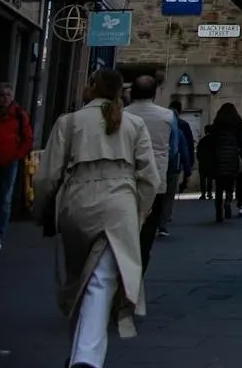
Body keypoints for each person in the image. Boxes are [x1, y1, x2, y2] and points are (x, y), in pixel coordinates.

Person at [34, 69, 159, 368]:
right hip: (119, 204)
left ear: (91, 87)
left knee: (83, 278)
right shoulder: (133, 123)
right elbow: (150, 179)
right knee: (100, 280)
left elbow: (46, 177)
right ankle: (86, 359)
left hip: (78, 203)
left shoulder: (70, 122)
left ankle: (81, 353)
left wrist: (42, 212)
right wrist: (139, 213)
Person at [122, 76, 179, 268]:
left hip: (125, 179)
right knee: (146, 235)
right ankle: (139, 269)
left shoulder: (122, 114)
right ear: (155, 94)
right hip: (156, 180)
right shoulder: (168, 116)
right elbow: (174, 149)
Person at [0, 80, 34, 251]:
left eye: (8, 95)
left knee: (4, 199)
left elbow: (27, 138)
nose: (4, 99)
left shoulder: (19, 115)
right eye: (1, 95)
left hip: (9, 162)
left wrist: (18, 155)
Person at [207, 104, 242, 223]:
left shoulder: (218, 123)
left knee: (219, 186)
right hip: (232, 156)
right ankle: (228, 200)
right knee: (230, 182)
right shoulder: (237, 123)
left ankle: (218, 213)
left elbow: (212, 141)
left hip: (219, 156)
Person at [164, 101, 194, 233]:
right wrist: (188, 168)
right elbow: (186, 147)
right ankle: (164, 220)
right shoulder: (182, 126)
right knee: (169, 193)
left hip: (159, 161)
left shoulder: (162, 123)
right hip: (174, 163)